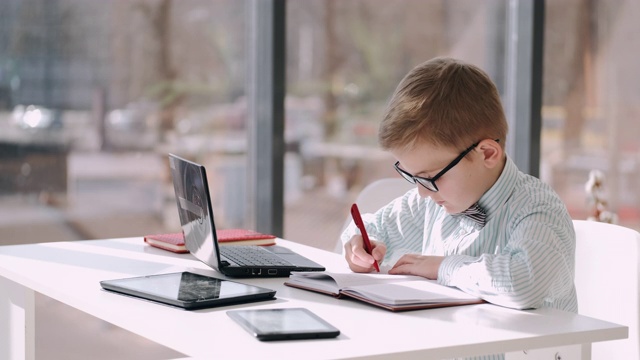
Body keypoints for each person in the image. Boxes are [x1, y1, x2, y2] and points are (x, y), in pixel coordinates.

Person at [341, 57, 577, 314]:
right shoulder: (431, 203)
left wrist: (443, 267)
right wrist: (362, 246)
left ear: (486, 153)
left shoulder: (537, 208)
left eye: (431, 177)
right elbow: (372, 227)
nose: (421, 192)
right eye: (413, 176)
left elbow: (523, 283)